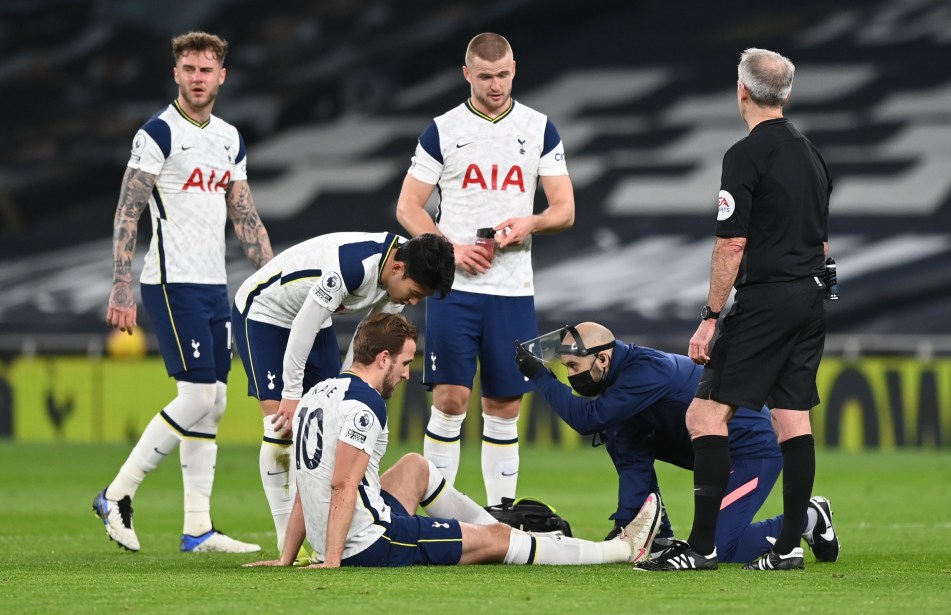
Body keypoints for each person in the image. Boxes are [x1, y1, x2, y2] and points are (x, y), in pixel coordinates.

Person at [243, 313, 660, 569]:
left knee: (414, 466)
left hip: (340, 532)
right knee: (497, 544)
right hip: (372, 542)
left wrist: (288, 556)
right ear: (383, 358)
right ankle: (621, 551)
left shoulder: (319, 393)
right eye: (405, 363)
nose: (408, 374)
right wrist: (332, 560)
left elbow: (306, 481)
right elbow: (340, 484)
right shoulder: (365, 406)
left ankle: (502, 529)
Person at [635, 48, 834, 572]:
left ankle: (701, 548)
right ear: (786, 94)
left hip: (767, 299)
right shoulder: (812, 154)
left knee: (704, 414)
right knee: (792, 417)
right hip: (810, 295)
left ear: (742, 91)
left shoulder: (745, 154)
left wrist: (709, 316)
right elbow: (823, 242)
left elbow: (731, 244)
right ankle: (790, 545)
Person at [93, 31, 273, 553]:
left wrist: (274, 280)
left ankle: (198, 528)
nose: (197, 78)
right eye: (188, 69)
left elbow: (246, 217)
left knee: (214, 403)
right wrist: (121, 285)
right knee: (197, 396)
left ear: (222, 75)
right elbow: (128, 211)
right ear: (176, 74)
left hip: (214, 285)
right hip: (171, 284)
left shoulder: (229, 138)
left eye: (206, 69)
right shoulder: (158, 134)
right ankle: (117, 493)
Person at [395, 32, 575, 506]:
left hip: (512, 290)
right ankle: (439, 508)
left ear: (514, 69)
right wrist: (449, 250)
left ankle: (500, 514)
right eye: (485, 76)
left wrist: (530, 222)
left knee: (504, 406)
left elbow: (564, 209)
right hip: (455, 290)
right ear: (467, 75)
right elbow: (409, 207)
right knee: (450, 400)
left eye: (503, 75)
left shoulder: (539, 129)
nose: (496, 85)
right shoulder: (444, 129)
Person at [515, 322, 840, 565]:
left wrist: (541, 378)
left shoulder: (643, 373)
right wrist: (631, 525)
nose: (571, 375)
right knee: (620, 436)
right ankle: (658, 535)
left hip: (751, 451)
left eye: (574, 366)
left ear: (602, 359)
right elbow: (633, 461)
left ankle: (810, 516)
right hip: (716, 453)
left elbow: (586, 419)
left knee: (722, 548)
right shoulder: (621, 384)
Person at [231, 232, 455, 552]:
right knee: (281, 422)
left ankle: (324, 525)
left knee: (330, 417)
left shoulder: (405, 264)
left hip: (314, 318)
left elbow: (367, 342)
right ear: (397, 269)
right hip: (265, 311)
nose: (415, 302)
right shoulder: (351, 267)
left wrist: (351, 392)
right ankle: (287, 542)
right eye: (416, 293)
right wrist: (292, 393)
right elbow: (302, 327)